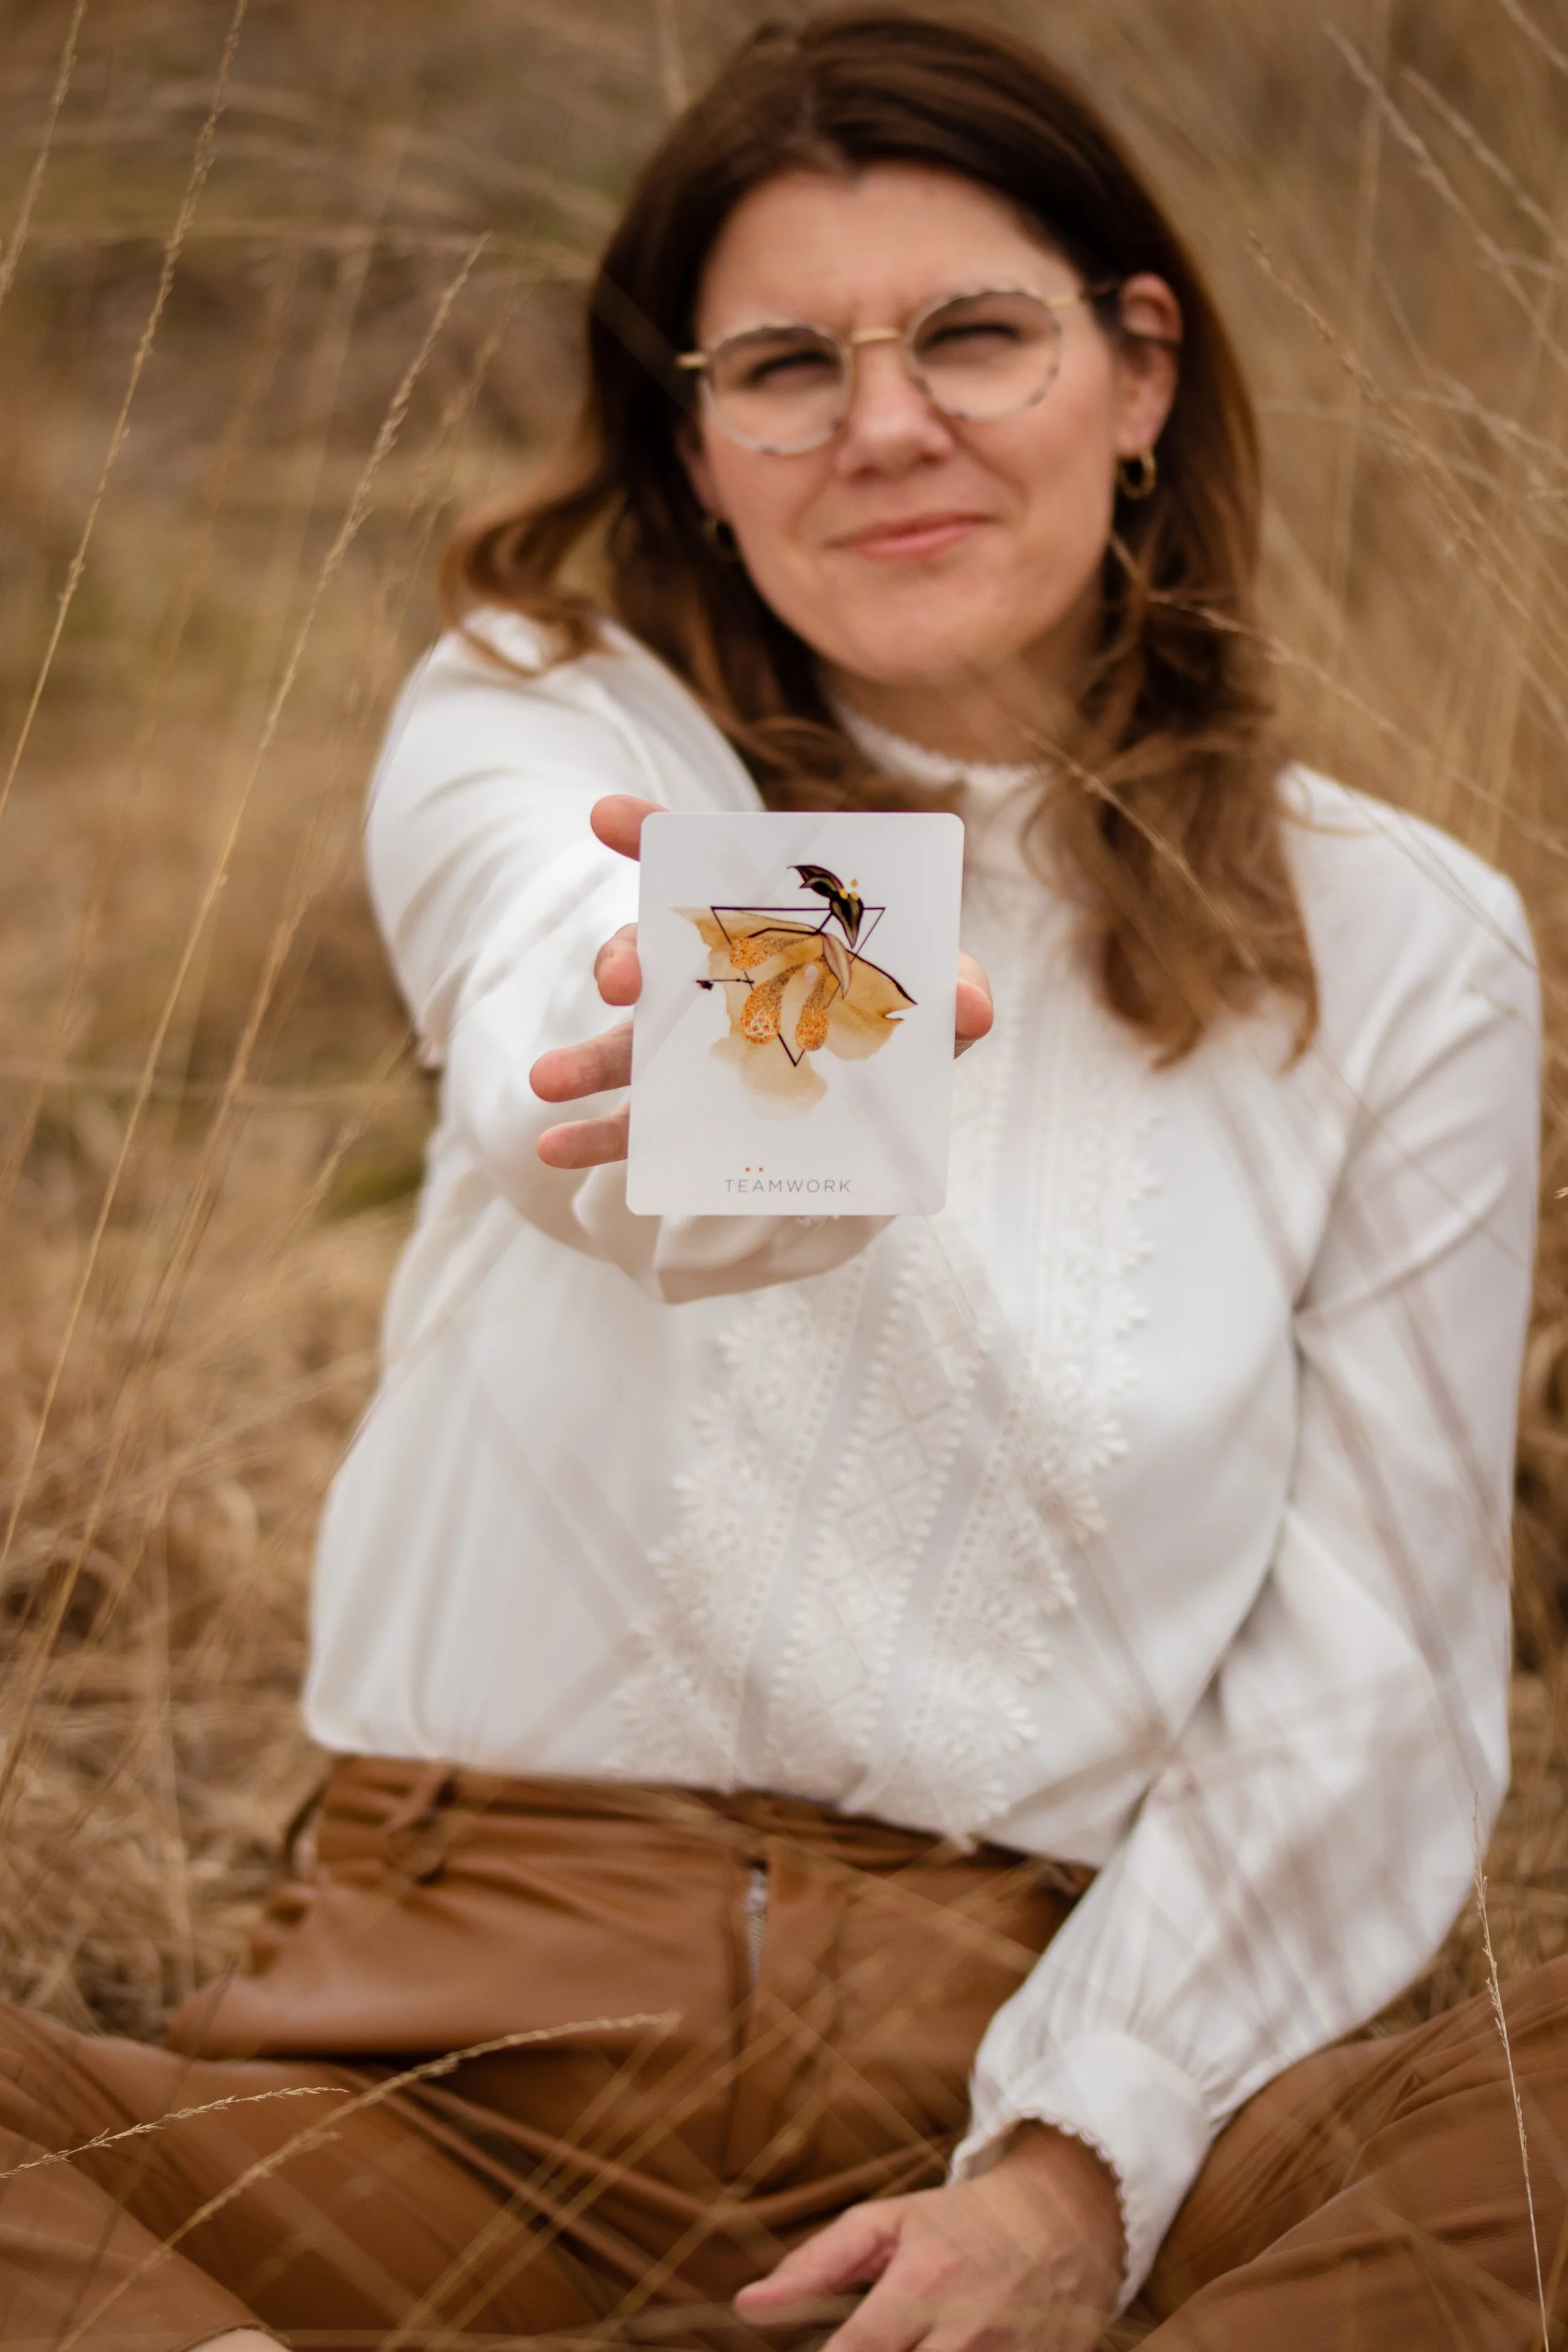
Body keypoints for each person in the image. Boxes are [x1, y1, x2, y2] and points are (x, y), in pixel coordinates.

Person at [0, 12, 1556, 2351]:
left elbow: (1368, 1675)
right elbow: (583, 1045)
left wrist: (1065, 2178)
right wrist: (689, 1077)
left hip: (1019, 2079)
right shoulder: (550, 718)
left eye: (970, 333)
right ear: (694, 451)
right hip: (449, 2085)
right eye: (783, 366)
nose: (889, 423)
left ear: (1138, 369)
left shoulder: (1403, 938)